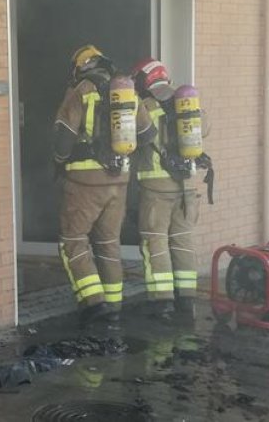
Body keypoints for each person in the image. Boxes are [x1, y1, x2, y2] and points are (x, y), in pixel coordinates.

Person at [52, 45, 154, 327]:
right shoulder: (126, 89)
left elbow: (63, 138)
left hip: (84, 181)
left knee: (73, 241)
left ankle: (94, 303)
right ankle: (114, 306)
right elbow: (148, 134)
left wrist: (59, 161)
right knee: (109, 243)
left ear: (80, 66)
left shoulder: (82, 90)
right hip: (119, 180)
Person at [131, 58, 212, 320]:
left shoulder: (144, 106)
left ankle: (162, 302)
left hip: (156, 188)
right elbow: (205, 129)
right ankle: (186, 302)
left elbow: (130, 140)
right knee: (183, 242)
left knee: (155, 243)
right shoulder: (186, 104)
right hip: (187, 187)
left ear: (145, 80)